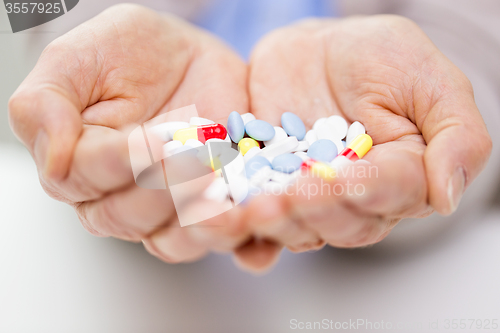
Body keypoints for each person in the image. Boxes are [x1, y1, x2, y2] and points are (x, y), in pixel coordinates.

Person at [7, 0, 495, 273]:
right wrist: (88, 50)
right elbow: (45, 10)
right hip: (132, 269)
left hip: (386, 268)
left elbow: (478, 34)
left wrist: (438, 100)